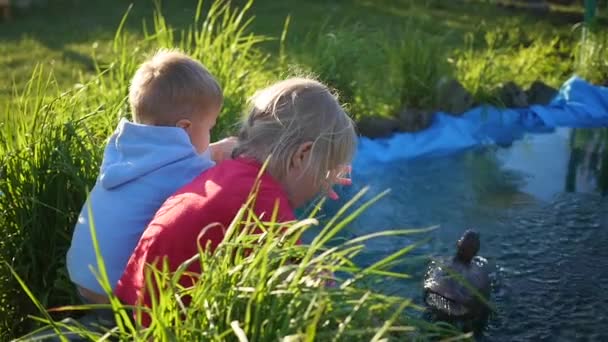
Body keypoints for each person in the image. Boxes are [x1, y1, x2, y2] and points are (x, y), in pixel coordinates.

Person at [114, 77, 357, 326]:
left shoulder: (226, 173)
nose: (322, 185)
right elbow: (306, 287)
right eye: (324, 174)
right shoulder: (266, 201)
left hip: (129, 304)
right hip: (164, 326)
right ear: (302, 155)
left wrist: (318, 170)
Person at [66, 49, 237, 305]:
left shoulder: (123, 150)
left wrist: (212, 150)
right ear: (184, 128)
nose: (212, 135)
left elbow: (171, 165)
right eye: (211, 128)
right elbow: (213, 187)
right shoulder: (185, 172)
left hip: (82, 279)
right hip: (118, 293)